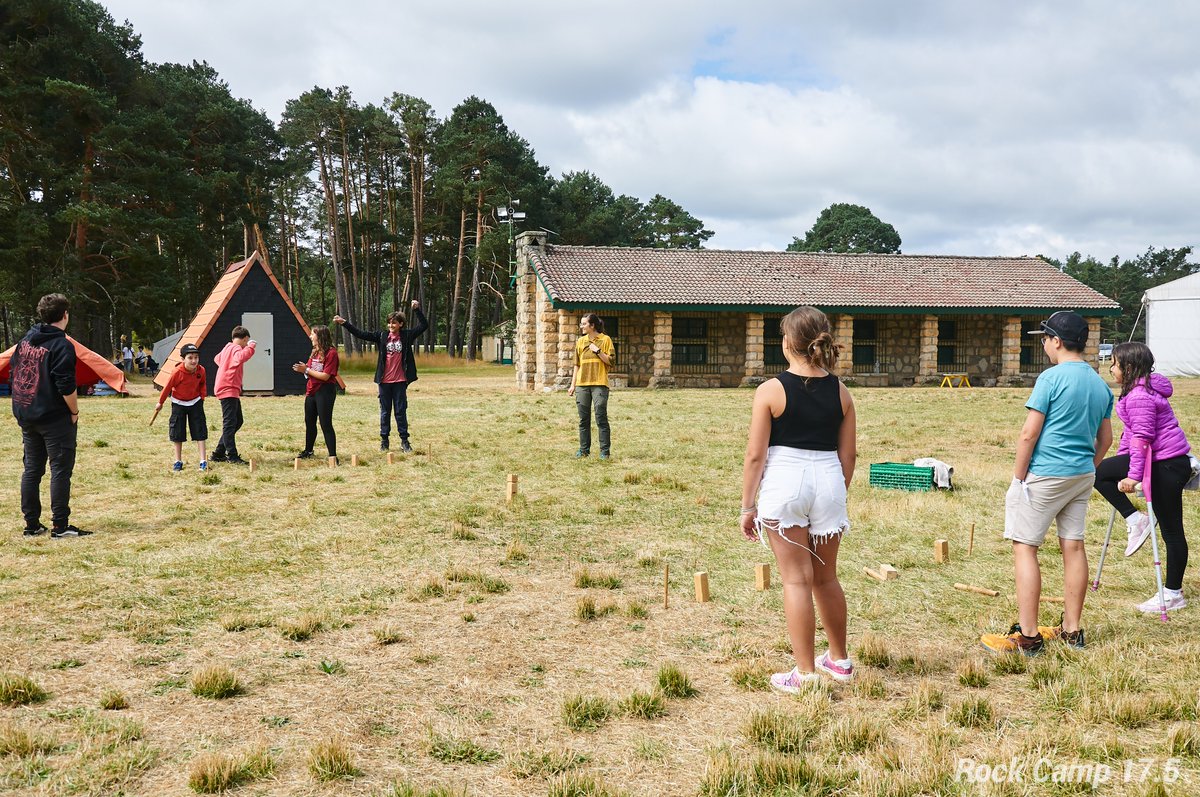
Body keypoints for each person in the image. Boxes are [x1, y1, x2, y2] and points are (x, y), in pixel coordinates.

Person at [981, 311, 1113, 656]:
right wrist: (1089, 467)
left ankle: (1028, 636)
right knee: (1073, 546)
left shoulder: (1051, 378)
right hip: (1082, 475)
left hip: (1045, 474)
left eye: (1044, 337)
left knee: (1025, 547)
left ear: (1056, 341)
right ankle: (1072, 631)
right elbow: (1107, 438)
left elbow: (1029, 434)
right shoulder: (1100, 383)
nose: (1042, 344)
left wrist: (1017, 478)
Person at [740, 307, 856, 691]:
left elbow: (756, 455)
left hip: (786, 481)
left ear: (788, 343)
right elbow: (848, 456)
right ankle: (838, 660)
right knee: (826, 578)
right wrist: (838, 493)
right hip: (829, 480)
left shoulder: (770, 390)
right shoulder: (841, 391)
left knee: (796, 580)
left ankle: (804, 672)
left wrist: (747, 505)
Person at [1093, 342, 1192, 613]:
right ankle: (1136, 519)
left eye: (1113, 363)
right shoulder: (1139, 391)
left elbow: (1142, 438)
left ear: (1127, 367)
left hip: (1165, 464)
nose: (1109, 368)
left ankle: (1173, 594)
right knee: (1101, 472)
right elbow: (1130, 436)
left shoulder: (1139, 396)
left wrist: (1133, 476)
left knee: (1172, 531)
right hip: (1160, 461)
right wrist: (1125, 466)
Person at [10, 293, 90, 537]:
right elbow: (66, 384)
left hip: (27, 412)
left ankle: (32, 524)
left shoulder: (26, 340)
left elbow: (14, 370)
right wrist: (74, 411)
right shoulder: (61, 344)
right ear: (65, 315)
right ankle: (60, 525)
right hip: (53, 417)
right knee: (60, 469)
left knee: (32, 469)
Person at [333, 300, 427, 453]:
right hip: (384, 381)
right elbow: (361, 334)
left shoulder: (407, 336)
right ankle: (384, 440)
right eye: (389, 323)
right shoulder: (382, 336)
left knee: (400, 411)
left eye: (394, 323)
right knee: (385, 412)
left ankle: (404, 441)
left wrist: (417, 310)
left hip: (400, 381)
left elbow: (424, 326)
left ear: (401, 324)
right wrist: (345, 323)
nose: (391, 326)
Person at [567, 313, 616, 459]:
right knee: (583, 419)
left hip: (599, 384)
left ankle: (604, 452)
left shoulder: (605, 340)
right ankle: (583, 451)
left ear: (592, 325)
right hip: (582, 385)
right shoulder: (580, 342)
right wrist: (572, 385)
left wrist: (598, 351)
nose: (581, 326)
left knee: (601, 417)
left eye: (584, 324)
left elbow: (611, 362)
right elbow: (576, 365)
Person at [157, 343, 209, 471]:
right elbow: (167, 387)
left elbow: (203, 384)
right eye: (190, 357)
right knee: (177, 432)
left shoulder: (201, 370)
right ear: (183, 359)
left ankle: (203, 461)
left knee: (200, 430)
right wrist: (161, 402)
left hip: (195, 402)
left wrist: (202, 396)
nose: (193, 361)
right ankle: (178, 461)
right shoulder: (177, 372)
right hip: (178, 403)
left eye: (196, 357)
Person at [210, 326, 257, 465]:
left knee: (238, 421)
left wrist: (226, 365)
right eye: (246, 341)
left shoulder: (226, 348)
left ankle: (218, 453)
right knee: (230, 423)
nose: (246, 344)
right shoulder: (237, 348)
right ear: (244, 339)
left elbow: (216, 359)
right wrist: (251, 347)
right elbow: (241, 357)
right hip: (228, 388)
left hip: (228, 388)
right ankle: (232, 456)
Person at [292, 325, 339, 462]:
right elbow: (310, 370)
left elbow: (325, 376)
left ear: (320, 336)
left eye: (313, 334)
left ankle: (333, 456)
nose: (310, 337)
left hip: (325, 391)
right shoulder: (315, 352)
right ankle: (308, 450)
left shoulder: (332, 353)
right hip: (311, 391)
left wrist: (306, 370)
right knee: (309, 422)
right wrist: (305, 369)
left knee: (325, 423)